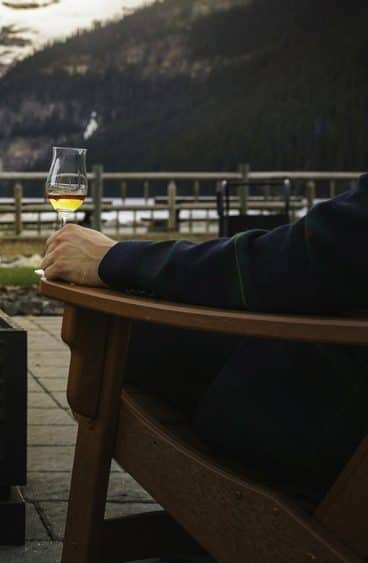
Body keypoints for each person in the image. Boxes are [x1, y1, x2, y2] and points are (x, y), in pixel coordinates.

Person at [41, 174, 368, 501]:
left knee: (118, 333)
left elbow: (288, 263)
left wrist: (114, 259)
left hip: (325, 419)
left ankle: (236, 515)